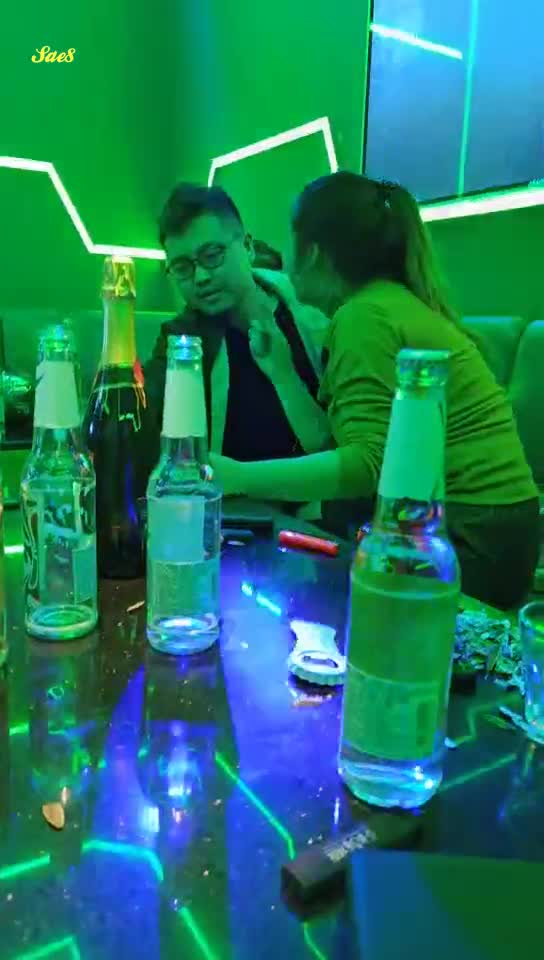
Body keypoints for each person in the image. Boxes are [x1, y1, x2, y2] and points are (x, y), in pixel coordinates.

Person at [211, 171, 539, 609]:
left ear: (314, 252)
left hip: (470, 536)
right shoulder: (383, 304)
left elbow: (365, 468)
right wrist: (282, 373)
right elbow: (342, 447)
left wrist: (237, 476)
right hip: (496, 529)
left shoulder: (363, 317)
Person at [144, 184, 330, 481]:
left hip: (315, 502)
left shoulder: (312, 314)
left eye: (212, 255)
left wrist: (284, 374)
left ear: (247, 246)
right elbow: (144, 423)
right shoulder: (183, 341)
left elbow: (337, 449)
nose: (200, 277)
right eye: (182, 267)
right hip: (227, 504)